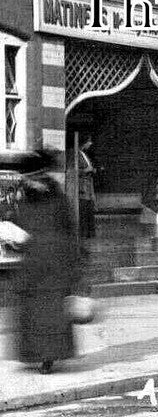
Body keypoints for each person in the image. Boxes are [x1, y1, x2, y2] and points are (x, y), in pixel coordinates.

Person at [8, 149, 81, 373]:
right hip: (43, 263)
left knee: (43, 312)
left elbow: (65, 230)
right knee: (43, 311)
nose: (25, 181)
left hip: (45, 264)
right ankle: (43, 355)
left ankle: (44, 356)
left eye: (27, 177)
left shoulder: (39, 196)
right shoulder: (45, 195)